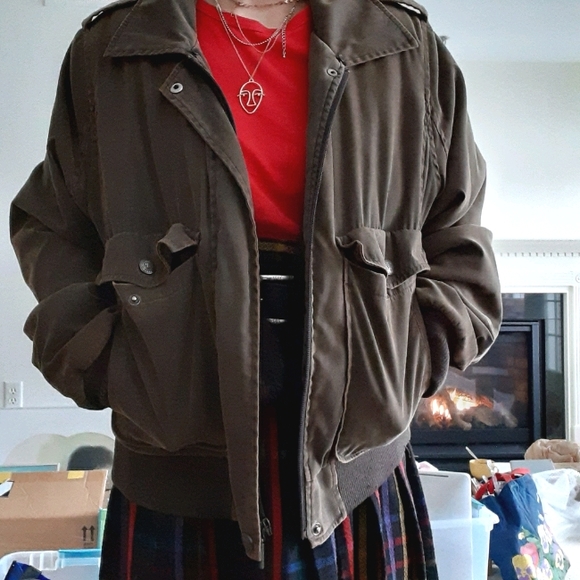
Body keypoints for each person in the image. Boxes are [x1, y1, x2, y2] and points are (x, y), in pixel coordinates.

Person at [10, 0, 502, 577]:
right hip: (174, 476)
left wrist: (403, 364)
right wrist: (104, 362)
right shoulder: (113, 49)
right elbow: (52, 227)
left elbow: (460, 246)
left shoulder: (404, 46)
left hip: (356, 482)